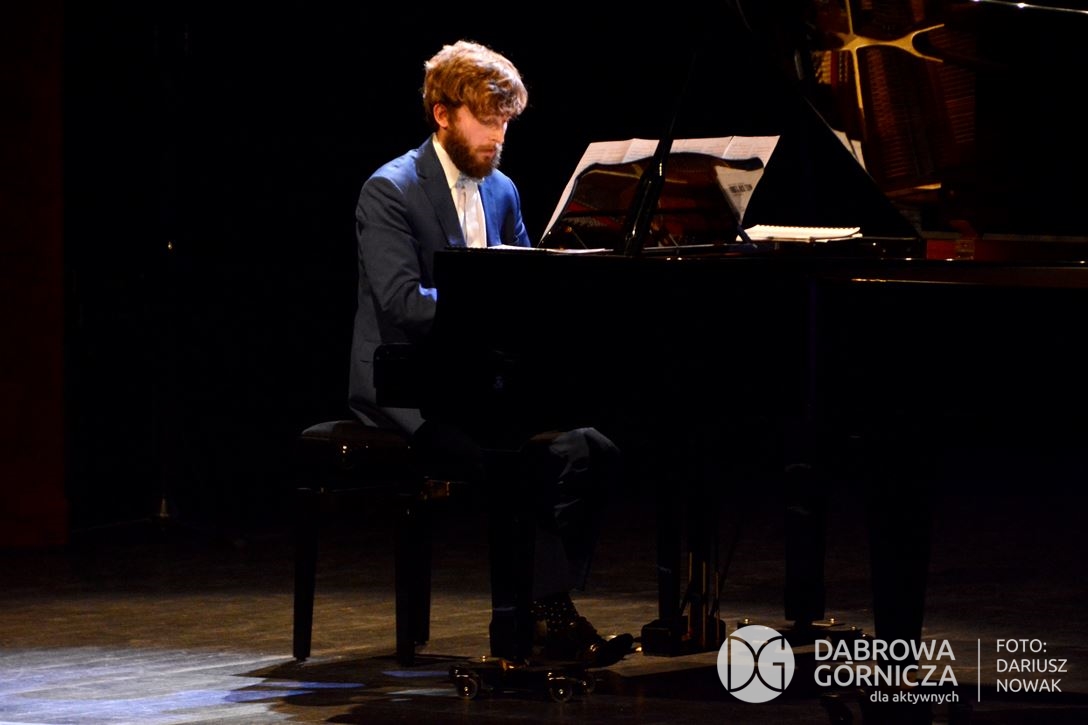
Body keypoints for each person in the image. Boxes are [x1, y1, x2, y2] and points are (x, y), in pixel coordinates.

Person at [348, 39, 632, 666]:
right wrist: (488, 312)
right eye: (485, 119)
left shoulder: (501, 189)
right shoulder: (390, 189)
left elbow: (527, 287)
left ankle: (543, 604)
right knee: (522, 462)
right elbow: (401, 303)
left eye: (505, 121)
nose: (498, 135)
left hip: (483, 385)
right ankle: (535, 620)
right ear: (442, 114)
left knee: (594, 450)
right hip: (411, 386)